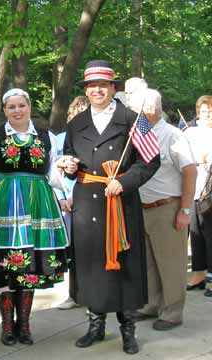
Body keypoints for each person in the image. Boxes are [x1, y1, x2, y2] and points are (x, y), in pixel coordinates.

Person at [62, 60, 160, 354]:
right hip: (86, 206)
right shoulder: (76, 123)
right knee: (91, 267)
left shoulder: (133, 119)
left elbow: (151, 161)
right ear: (87, 90)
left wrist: (126, 182)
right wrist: (68, 166)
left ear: (113, 88)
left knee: (124, 268)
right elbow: (70, 155)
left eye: (103, 85)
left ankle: (127, 330)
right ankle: (95, 326)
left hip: (120, 204)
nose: (97, 91)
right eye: (92, 86)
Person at [0, 88, 69, 347]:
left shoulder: (46, 136)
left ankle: (25, 326)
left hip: (37, 205)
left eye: (21, 105)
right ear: (4, 110)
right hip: (1, 205)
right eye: (11, 107)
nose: (17, 110)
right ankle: (8, 325)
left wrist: (63, 185)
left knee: (28, 265)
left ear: (29, 107)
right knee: (3, 263)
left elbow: (53, 172)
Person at [131, 89, 197, 330]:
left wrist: (185, 211)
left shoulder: (172, 135)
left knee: (171, 264)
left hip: (168, 207)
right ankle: (150, 304)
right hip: (142, 207)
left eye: (133, 107)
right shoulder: (137, 134)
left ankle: (172, 312)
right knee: (148, 263)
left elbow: (190, 171)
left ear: (149, 109)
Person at [55, 95, 89, 310]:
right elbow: (51, 171)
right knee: (71, 252)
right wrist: (60, 199)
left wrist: (77, 197)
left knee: (90, 251)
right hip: (65, 205)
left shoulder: (92, 141)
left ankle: (92, 295)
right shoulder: (60, 139)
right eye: (73, 115)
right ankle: (74, 294)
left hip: (87, 201)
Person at [185, 95, 212, 296]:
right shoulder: (190, 132)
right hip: (195, 188)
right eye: (204, 111)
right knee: (196, 232)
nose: (208, 115)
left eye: (211, 111)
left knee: (211, 233)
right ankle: (198, 274)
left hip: (210, 190)